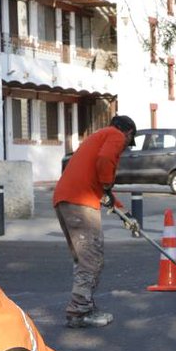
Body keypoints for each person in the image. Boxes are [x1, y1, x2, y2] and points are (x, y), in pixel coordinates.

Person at [52, 114, 136, 328]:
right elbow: (105, 161)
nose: (125, 147)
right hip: (80, 202)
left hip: (65, 199)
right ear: (128, 133)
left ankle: (84, 305)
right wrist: (107, 185)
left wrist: (121, 210)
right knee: (91, 258)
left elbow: (99, 185)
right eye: (129, 141)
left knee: (83, 259)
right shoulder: (115, 135)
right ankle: (78, 312)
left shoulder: (96, 137)